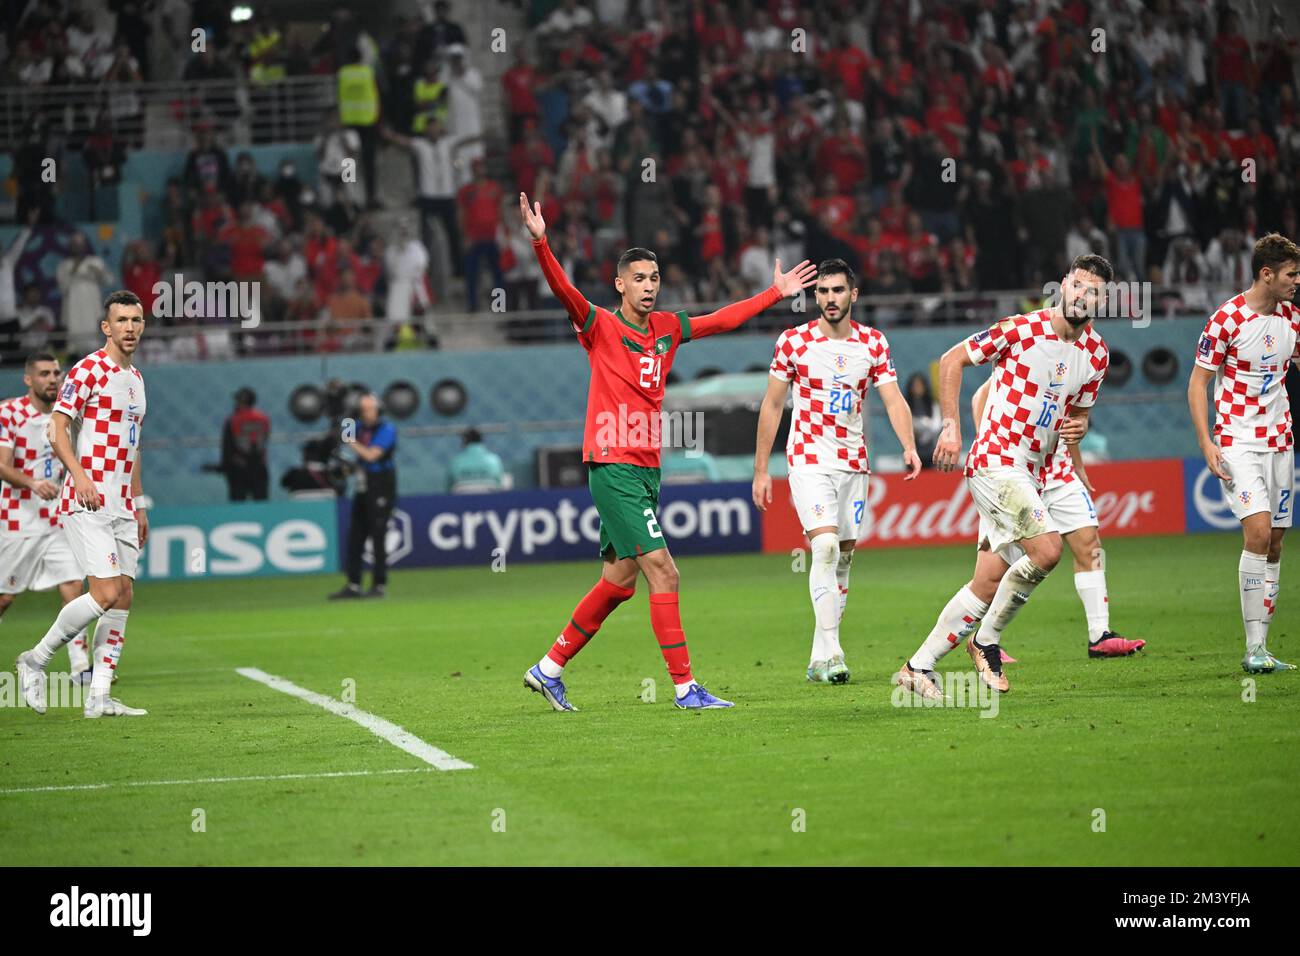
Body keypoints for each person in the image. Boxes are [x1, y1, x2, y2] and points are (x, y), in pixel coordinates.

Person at [518, 189, 818, 711]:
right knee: (665, 570)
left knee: (619, 581)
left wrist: (774, 294)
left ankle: (548, 669)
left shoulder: (667, 329)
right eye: (639, 278)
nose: (649, 287)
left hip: (645, 468)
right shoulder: (599, 326)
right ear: (619, 285)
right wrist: (542, 244)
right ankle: (685, 688)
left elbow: (721, 319)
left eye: (655, 279)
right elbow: (563, 289)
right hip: (611, 464)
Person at [895, 255, 1113, 699]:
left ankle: (917, 667)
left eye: (1093, 291)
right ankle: (986, 641)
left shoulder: (1096, 355)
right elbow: (953, 359)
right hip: (997, 460)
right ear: (1063, 286)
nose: (1081, 295)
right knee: (1049, 550)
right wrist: (952, 427)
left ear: (1101, 300)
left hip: (1033, 473)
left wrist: (1081, 427)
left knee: (988, 581)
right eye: (1076, 284)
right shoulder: (1021, 328)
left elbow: (1080, 414)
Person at [753, 259, 921, 685]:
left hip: (854, 462)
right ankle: (834, 652)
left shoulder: (873, 344)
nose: (829, 298)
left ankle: (818, 656)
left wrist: (908, 446)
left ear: (853, 295)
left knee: (842, 558)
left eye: (837, 291)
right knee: (824, 547)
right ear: (816, 297)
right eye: (823, 291)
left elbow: (893, 399)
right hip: (808, 457)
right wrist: (761, 470)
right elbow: (772, 405)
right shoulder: (793, 342)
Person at [15, 291, 150, 718]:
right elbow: (57, 429)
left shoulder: (137, 380)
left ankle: (100, 696)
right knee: (105, 592)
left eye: (137, 320)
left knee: (123, 595)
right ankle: (34, 660)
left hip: (124, 502)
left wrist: (140, 503)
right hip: (87, 497)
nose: (130, 327)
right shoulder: (88, 370)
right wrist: (79, 475)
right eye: (122, 321)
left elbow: (134, 447)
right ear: (106, 327)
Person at [1187, 233, 1300, 673]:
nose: (1297, 282)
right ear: (1266, 274)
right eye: (1291, 275)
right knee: (1256, 532)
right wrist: (1205, 441)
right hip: (1238, 440)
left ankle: (1262, 646)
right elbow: (1198, 382)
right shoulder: (1227, 319)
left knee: (1274, 541)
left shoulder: (1291, 317)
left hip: (1281, 443)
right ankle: (1252, 651)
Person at [970, 376, 1145, 658]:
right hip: (1018, 474)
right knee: (997, 568)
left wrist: (1078, 465)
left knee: (1091, 545)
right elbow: (981, 394)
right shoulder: (1033, 343)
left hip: (1060, 473)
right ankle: (988, 639)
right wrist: (990, 449)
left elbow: (1071, 420)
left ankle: (1100, 634)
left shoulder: (1083, 359)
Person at [0, 353, 92, 680]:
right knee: (5, 596)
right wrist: (32, 483)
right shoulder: (9, 412)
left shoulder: (66, 414)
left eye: (56, 373)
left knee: (72, 586)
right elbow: (2, 464)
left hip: (57, 518)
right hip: (17, 520)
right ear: (28, 379)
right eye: (44, 374)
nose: (52, 379)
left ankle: (81, 666)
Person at [330, 394, 397, 600]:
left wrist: (350, 439)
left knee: (378, 535)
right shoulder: (358, 426)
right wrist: (347, 416)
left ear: (378, 410)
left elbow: (370, 455)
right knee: (356, 535)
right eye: (362, 409)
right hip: (362, 484)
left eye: (369, 408)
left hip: (381, 484)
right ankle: (354, 583)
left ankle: (379, 584)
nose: (365, 412)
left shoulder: (386, 429)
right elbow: (345, 439)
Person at [220, 387, 271, 501]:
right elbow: (265, 440)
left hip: (239, 468)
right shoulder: (263, 419)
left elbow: (227, 447)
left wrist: (225, 467)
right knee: (261, 503)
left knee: (238, 504)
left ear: (241, 402)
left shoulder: (233, 420)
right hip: (259, 466)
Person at [448, 427, 506, 491]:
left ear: (465, 441)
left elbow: (448, 487)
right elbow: (499, 484)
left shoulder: (456, 462)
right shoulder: (494, 460)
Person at [905, 372, 942, 467]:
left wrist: (924, 425)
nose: (917, 388)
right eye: (915, 385)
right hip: (913, 450)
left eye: (920, 385)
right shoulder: (906, 405)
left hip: (931, 450)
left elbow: (936, 426)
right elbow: (906, 424)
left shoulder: (932, 404)